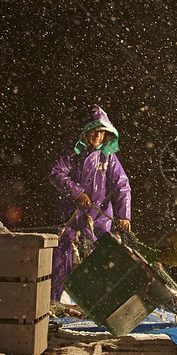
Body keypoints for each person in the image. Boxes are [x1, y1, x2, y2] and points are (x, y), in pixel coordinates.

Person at [49, 105, 131, 302]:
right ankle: (54, 302)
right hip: (70, 214)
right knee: (61, 257)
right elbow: (56, 173)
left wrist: (124, 216)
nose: (97, 135)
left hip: (99, 217)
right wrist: (77, 193)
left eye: (101, 131)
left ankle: (95, 304)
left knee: (99, 261)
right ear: (85, 131)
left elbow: (122, 185)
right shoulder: (72, 152)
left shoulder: (108, 156)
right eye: (94, 130)